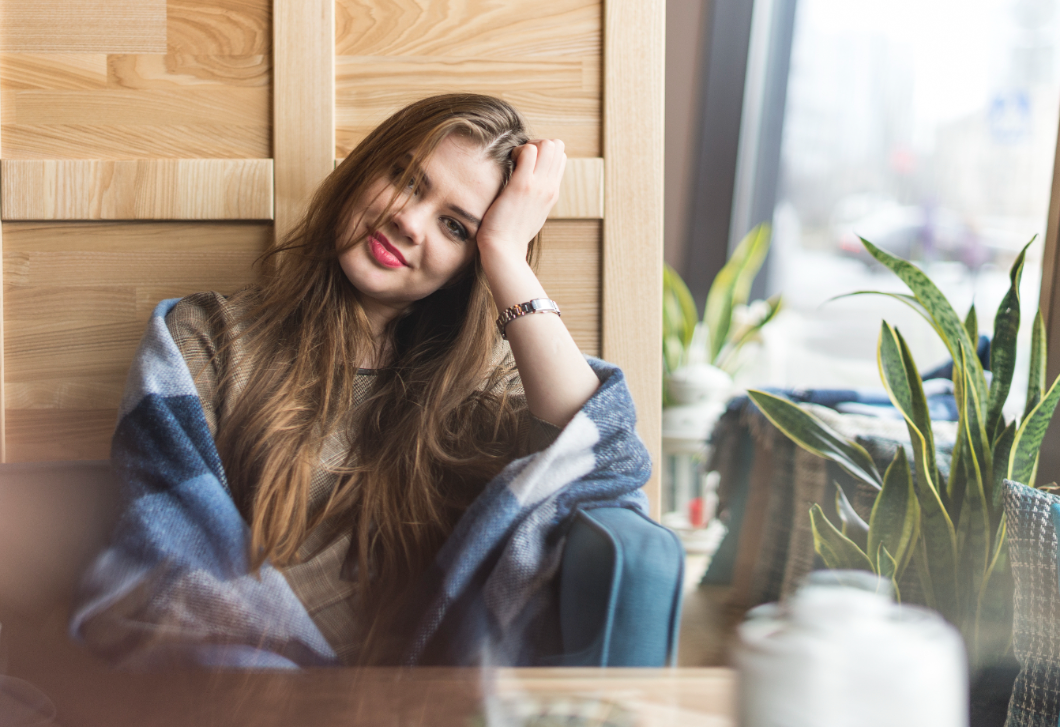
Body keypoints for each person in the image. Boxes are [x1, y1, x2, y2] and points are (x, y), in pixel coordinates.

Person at [71, 94, 650, 668]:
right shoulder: (207, 337)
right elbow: (166, 562)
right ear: (361, 169)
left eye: (454, 226)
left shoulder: (486, 387)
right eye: (405, 179)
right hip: (229, 687)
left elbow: (608, 460)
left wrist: (507, 256)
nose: (408, 220)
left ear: (467, 268)